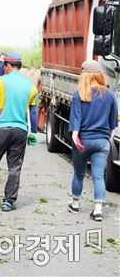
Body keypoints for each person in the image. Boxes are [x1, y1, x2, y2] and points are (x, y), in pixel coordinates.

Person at [0, 52, 38, 212]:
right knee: (14, 167)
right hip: (20, 131)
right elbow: (33, 112)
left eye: (4, 65)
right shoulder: (30, 86)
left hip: (1, 129)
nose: (3, 68)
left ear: (9, 66)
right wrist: (34, 132)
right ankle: (8, 202)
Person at [68, 60, 117, 222]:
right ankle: (97, 210)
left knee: (79, 174)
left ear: (85, 75)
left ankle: (75, 203)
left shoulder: (80, 93)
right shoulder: (109, 94)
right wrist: (108, 139)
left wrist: (75, 138)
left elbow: (76, 119)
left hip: (83, 141)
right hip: (102, 141)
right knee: (98, 176)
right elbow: (112, 123)